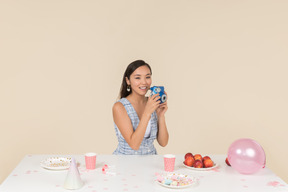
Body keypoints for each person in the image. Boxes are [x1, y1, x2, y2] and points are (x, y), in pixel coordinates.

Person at [112, 60, 169, 155]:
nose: (144, 82)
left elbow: (163, 143)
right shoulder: (119, 107)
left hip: (150, 164)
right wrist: (147, 112)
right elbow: (134, 145)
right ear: (128, 81)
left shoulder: (152, 102)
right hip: (126, 165)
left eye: (147, 77)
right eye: (137, 78)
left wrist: (161, 115)